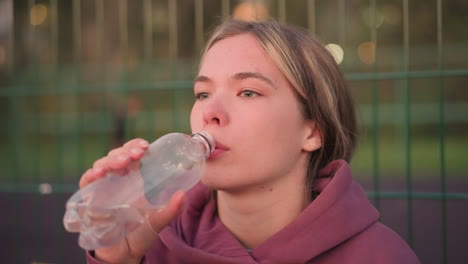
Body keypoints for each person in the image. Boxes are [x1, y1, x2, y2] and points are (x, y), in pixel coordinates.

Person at [81, 18, 420, 264]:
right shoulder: (151, 244)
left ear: (313, 132)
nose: (209, 112)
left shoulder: (380, 256)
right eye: (202, 93)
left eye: (247, 92)